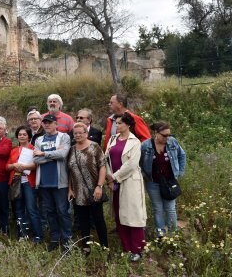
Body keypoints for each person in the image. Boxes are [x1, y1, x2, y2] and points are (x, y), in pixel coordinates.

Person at [105, 112, 147, 262]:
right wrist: (109, 177)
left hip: (129, 182)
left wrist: (114, 176)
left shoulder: (135, 142)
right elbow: (106, 159)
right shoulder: (112, 139)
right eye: (116, 123)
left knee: (133, 215)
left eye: (120, 123)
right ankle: (126, 248)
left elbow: (131, 165)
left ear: (128, 125)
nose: (117, 125)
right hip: (114, 183)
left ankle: (137, 249)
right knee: (119, 215)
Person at [67, 122, 108, 252]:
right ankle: (86, 247)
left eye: (80, 132)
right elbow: (70, 170)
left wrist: (99, 186)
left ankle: (104, 247)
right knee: (82, 221)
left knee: (98, 219)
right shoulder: (71, 149)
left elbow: (102, 167)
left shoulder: (94, 147)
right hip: (78, 192)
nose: (78, 135)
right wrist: (70, 189)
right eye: (75, 133)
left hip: (94, 190)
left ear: (86, 133)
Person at [140, 121, 186, 238]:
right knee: (158, 209)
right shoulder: (145, 146)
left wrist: (180, 171)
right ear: (156, 133)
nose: (167, 137)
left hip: (170, 181)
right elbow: (138, 163)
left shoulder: (172, 142)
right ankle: (160, 234)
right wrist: (144, 175)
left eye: (169, 135)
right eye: (164, 135)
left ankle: (173, 235)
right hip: (153, 182)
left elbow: (182, 155)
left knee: (170, 208)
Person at [34, 114, 72, 251]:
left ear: (56, 124)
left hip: (60, 183)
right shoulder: (39, 139)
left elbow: (63, 155)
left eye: (50, 122)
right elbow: (35, 160)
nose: (47, 125)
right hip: (44, 183)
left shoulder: (64, 137)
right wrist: (54, 155)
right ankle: (55, 238)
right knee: (50, 212)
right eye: (45, 123)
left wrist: (44, 154)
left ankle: (67, 240)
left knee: (63, 212)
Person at [6, 126, 42, 243]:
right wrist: (14, 166)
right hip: (16, 182)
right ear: (17, 136)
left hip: (28, 182)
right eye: (20, 134)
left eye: (24, 134)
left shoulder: (33, 149)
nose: (22, 136)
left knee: (31, 209)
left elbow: (37, 165)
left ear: (29, 136)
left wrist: (24, 167)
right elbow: (7, 166)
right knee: (19, 209)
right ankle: (22, 234)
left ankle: (37, 236)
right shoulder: (13, 150)